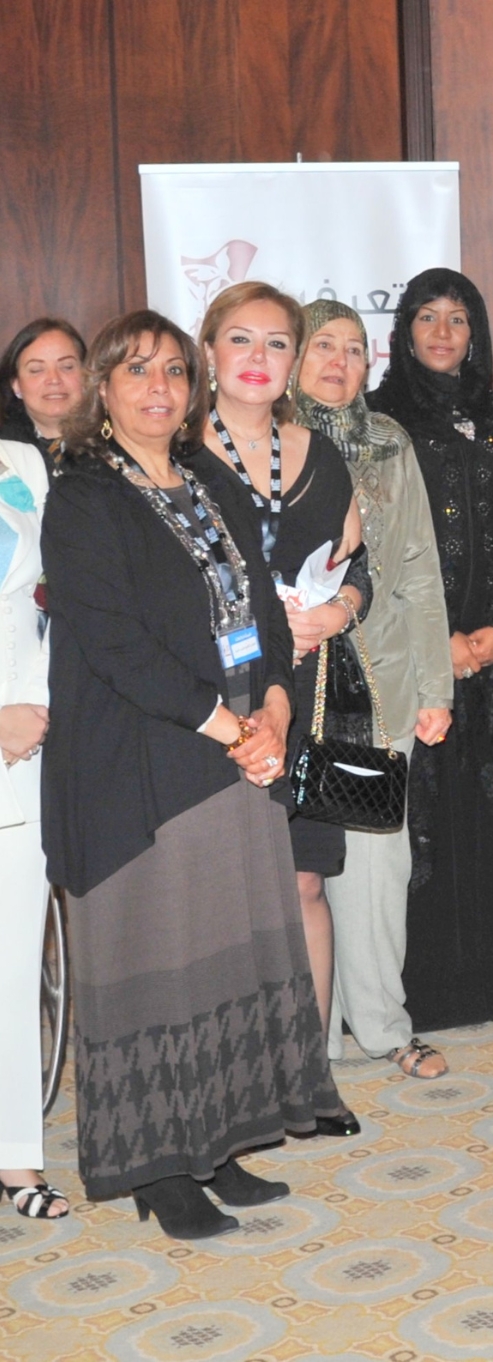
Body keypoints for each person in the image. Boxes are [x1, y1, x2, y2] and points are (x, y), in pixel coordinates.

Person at [43, 311, 343, 1239]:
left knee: (223, 961)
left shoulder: (210, 479)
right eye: (137, 371)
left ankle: (215, 1144)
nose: (160, 387)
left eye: (174, 370)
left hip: (234, 752)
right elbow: (117, 644)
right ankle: (158, 1170)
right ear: (105, 387)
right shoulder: (87, 495)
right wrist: (231, 727)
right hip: (140, 765)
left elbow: (264, 601)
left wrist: (280, 710)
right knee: (153, 967)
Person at [195, 284, 370, 1116]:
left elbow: (359, 567)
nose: (259, 359)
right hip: (210, 701)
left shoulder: (322, 455)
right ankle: (235, 1078)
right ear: (208, 354)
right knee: (225, 894)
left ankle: (312, 1071)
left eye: (276, 344)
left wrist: (340, 610)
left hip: (308, 688)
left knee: (304, 884)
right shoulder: (177, 455)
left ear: (295, 361)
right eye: (241, 340)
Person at [370, 269, 493, 1032]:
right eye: (427, 317)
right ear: (405, 330)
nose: (443, 332)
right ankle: (429, 992)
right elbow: (377, 546)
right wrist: (438, 638)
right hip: (420, 656)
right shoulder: (380, 420)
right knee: (427, 823)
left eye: (458, 319)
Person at [293, 299, 456, 1081]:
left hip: (379, 682)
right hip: (284, 689)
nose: (338, 361)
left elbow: (421, 568)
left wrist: (436, 686)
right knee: (298, 871)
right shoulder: (259, 442)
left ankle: (387, 1027)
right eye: (322, 344)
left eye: (354, 348)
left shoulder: (387, 442)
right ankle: (310, 1042)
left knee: (374, 866)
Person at [0, 432, 60, 1219]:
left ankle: (16, 1154)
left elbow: (56, 593)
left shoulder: (23, 460)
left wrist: (35, 702)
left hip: (26, 740)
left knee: (16, 956)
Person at [1, 319, 86, 461]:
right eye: (36, 370)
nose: (54, 379)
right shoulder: (4, 448)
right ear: (16, 384)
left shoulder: (115, 442)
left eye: (67, 367)